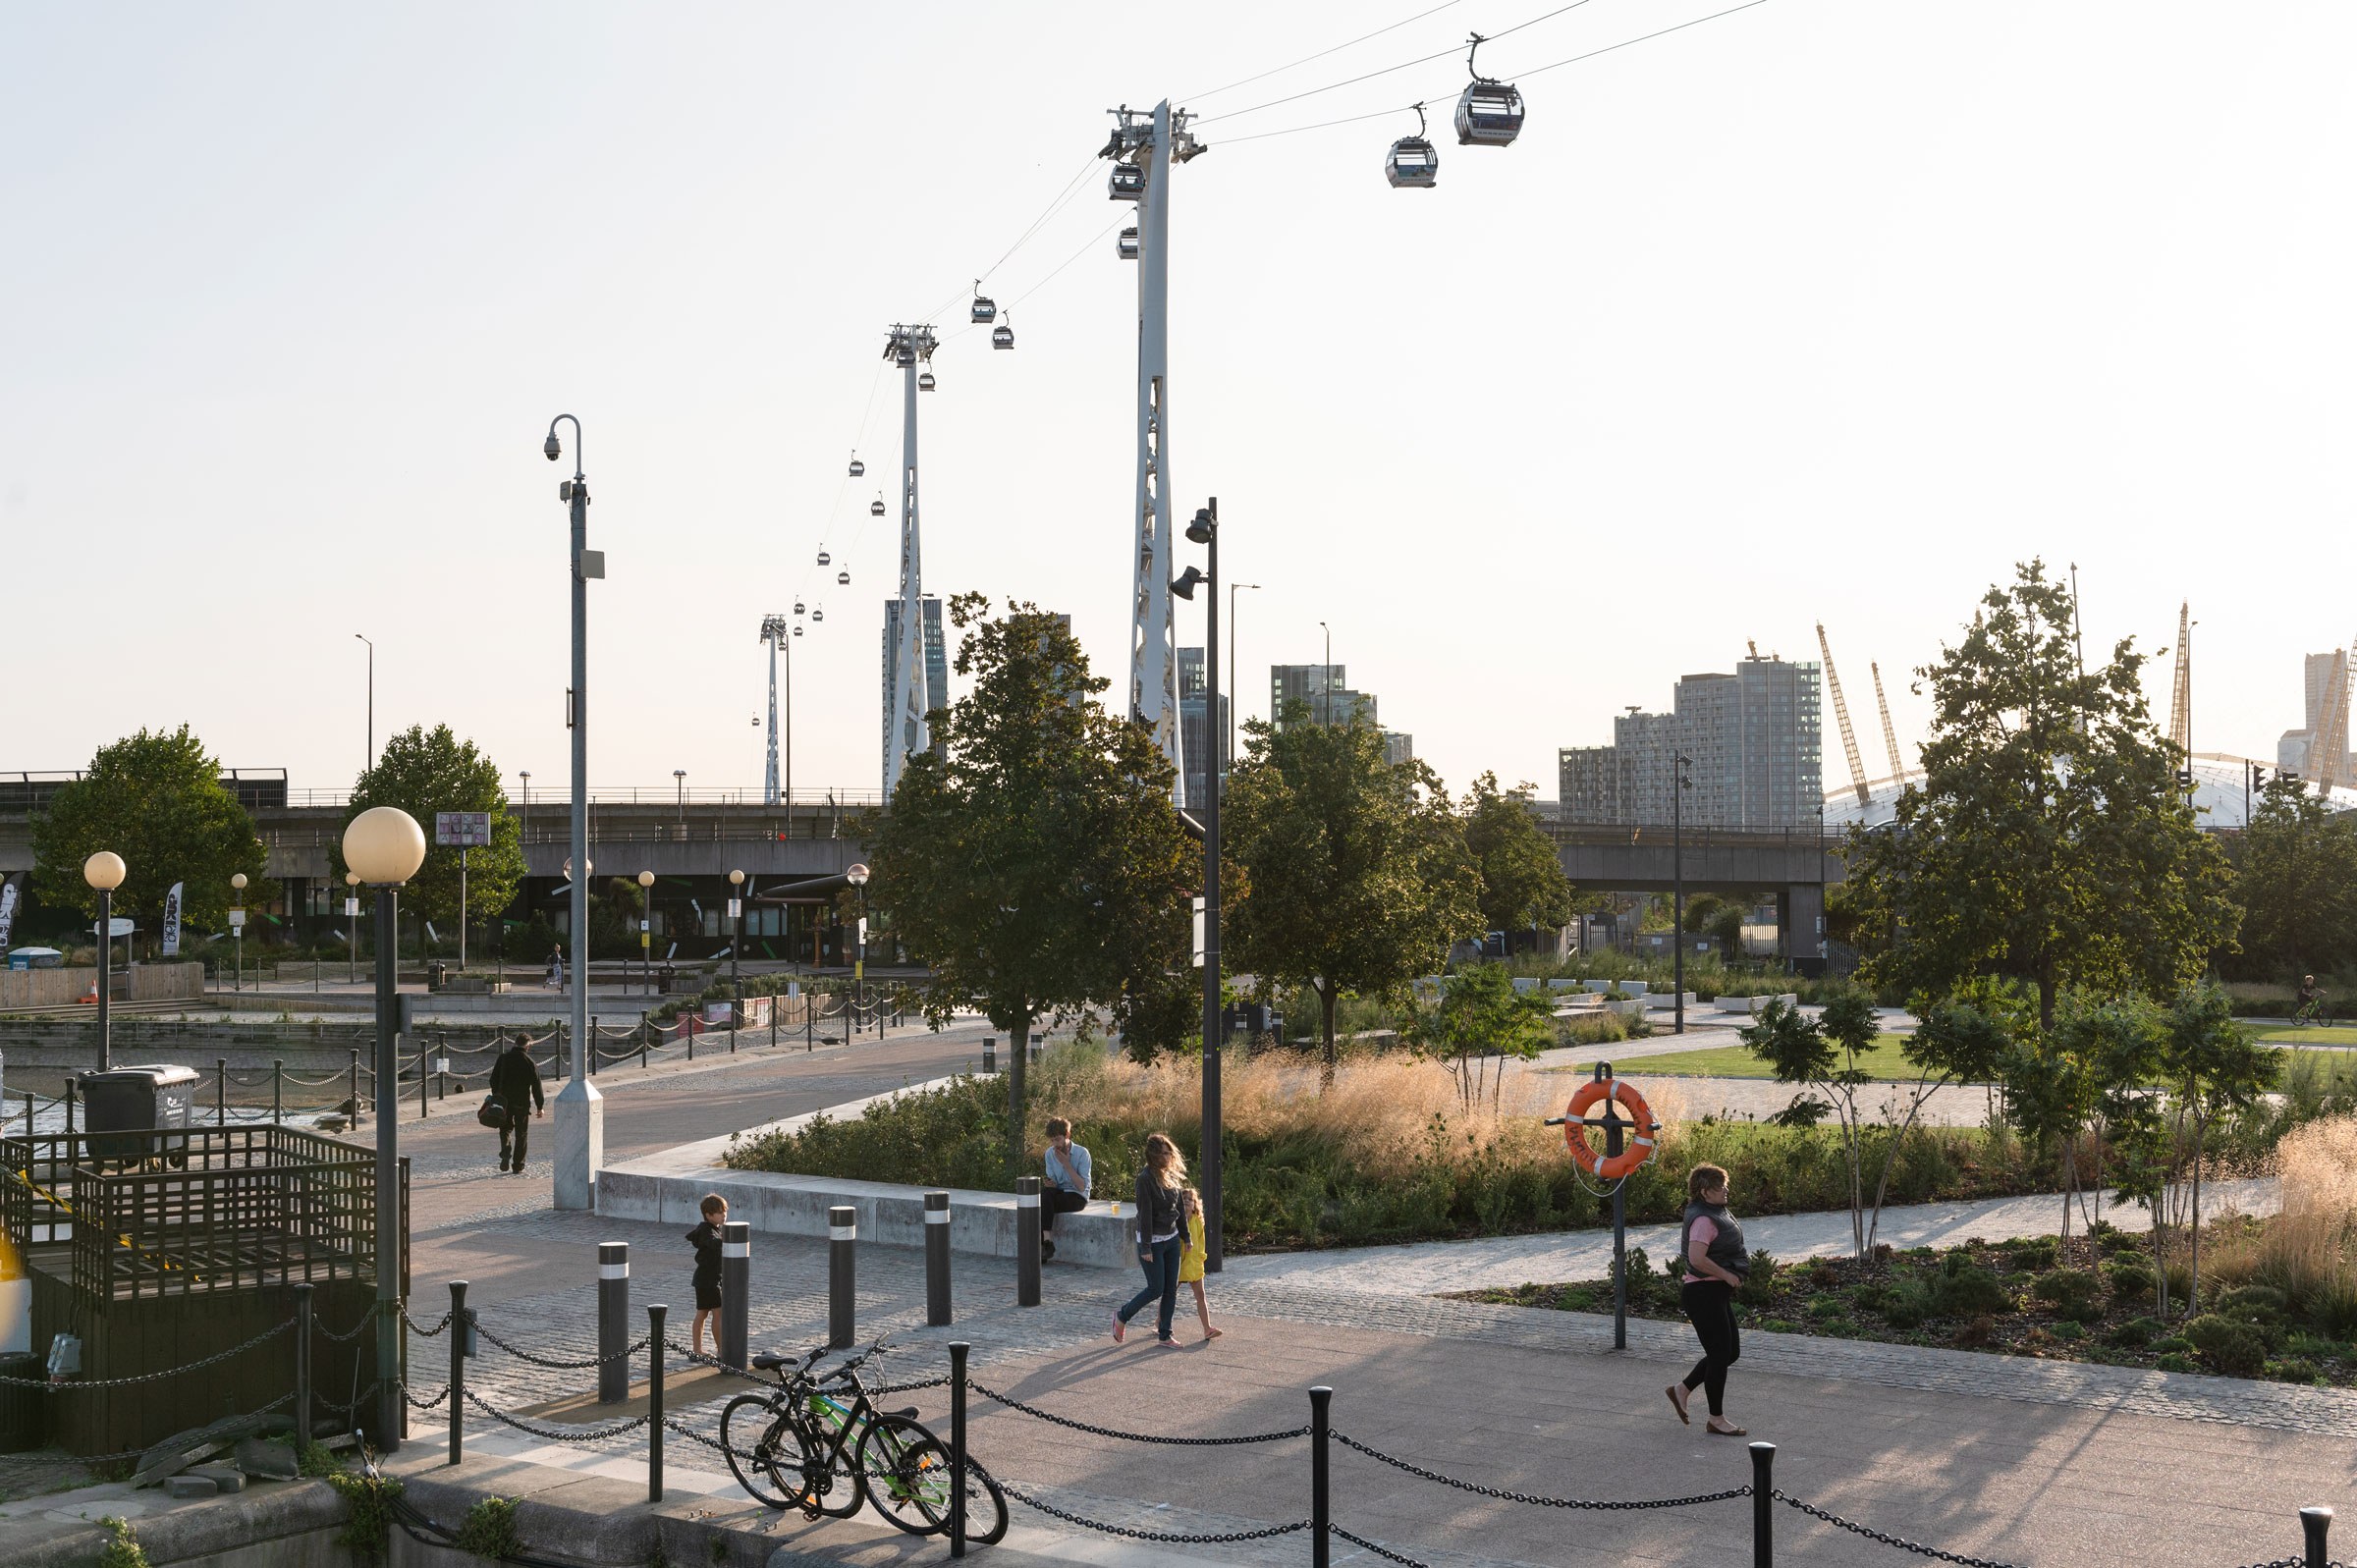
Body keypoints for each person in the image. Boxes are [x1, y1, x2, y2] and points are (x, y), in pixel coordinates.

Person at [1667, 1162, 1748, 1436]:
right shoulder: (1703, 1219)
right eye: (1719, 1186)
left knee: (1729, 1353)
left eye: (1724, 1184)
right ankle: (1716, 1418)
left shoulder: (1714, 1210)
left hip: (1714, 1293)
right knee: (1719, 1355)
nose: (1726, 1190)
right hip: (1703, 1293)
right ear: (1704, 1192)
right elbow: (1697, 1258)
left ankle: (1682, 1389)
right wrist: (1726, 1274)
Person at [1112, 1132, 1187, 1347]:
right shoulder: (1145, 1179)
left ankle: (1165, 1334)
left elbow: (1179, 1207)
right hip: (1152, 1242)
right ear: (1152, 1155)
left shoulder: (1171, 1176)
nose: (1166, 1157)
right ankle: (1122, 1316)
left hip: (1171, 1239)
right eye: (1162, 1154)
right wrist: (1145, 1246)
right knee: (1155, 1288)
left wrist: (1185, 1236)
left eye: (1168, 1153)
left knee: (1170, 1289)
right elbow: (1144, 1215)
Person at [487, 1035, 545, 1174]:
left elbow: (492, 1079)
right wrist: (540, 1106)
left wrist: (497, 1094)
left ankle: (506, 1151)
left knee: (505, 1129)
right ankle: (518, 1165)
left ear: (515, 1043)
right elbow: (537, 1086)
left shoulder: (503, 1058)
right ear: (528, 1045)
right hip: (522, 1103)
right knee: (521, 1134)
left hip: (504, 1102)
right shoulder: (529, 1062)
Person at [1040, 1116, 1092, 1263]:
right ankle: (1047, 1240)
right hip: (1059, 1192)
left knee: (1043, 1206)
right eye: (1052, 1140)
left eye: (1057, 1139)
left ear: (1067, 1135)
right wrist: (1051, 1183)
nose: (1055, 1144)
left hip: (1077, 1196)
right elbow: (1055, 1183)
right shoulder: (1049, 1154)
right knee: (1044, 1195)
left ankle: (1042, 1247)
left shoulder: (1082, 1153)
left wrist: (1067, 1165)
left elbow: (1082, 1186)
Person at [1178, 1186, 1222, 1340]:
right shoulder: (1177, 1221)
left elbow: (1201, 1243)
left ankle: (1207, 1328)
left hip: (1194, 1263)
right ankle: (1159, 1322)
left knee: (1201, 1295)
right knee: (1171, 1294)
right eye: (1184, 1199)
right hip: (1179, 1263)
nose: (1187, 1202)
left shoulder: (1197, 1221)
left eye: (1190, 1199)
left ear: (1195, 1203)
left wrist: (1201, 1258)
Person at [687, 1194, 727, 1358]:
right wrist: (729, 1240)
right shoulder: (707, 1230)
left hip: (706, 1279)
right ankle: (721, 1350)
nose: (723, 1215)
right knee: (718, 1313)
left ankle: (698, 1349)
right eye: (719, 1212)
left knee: (702, 1313)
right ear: (708, 1215)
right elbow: (711, 1243)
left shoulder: (714, 1229)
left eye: (725, 1211)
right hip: (709, 1279)